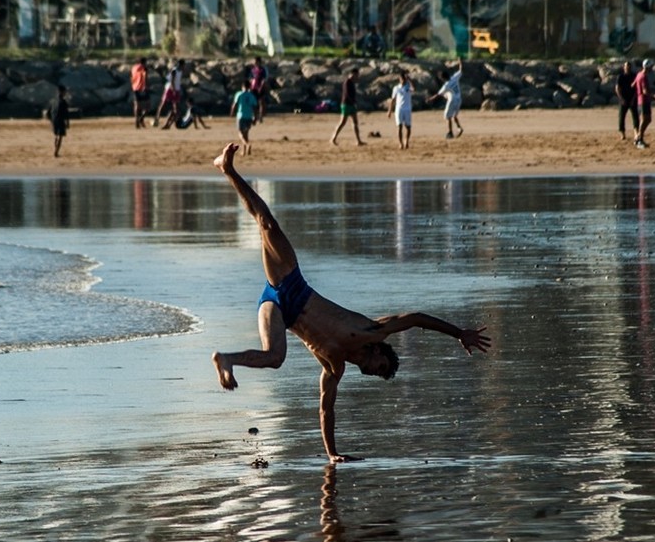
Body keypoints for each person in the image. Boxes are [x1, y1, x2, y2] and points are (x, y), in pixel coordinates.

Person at [209, 143, 491, 463]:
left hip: (274, 307)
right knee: (267, 224)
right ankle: (228, 169)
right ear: (378, 352)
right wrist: (458, 333)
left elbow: (326, 409)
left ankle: (226, 359)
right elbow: (415, 317)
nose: (373, 372)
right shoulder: (372, 330)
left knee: (275, 357)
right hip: (291, 283)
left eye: (378, 373)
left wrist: (333, 454)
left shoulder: (334, 366)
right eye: (381, 366)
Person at [428, 61, 464, 139]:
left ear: (443, 78)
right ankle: (459, 128)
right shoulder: (454, 77)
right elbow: (461, 70)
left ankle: (450, 132)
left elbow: (438, 94)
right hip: (459, 99)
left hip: (452, 100)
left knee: (447, 117)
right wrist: (460, 62)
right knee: (454, 116)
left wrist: (430, 99)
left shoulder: (446, 85)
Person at [330, 66, 365, 146]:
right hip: (346, 104)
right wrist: (353, 102)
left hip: (351, 104)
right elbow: (347, 94)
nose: (357, 77)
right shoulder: (347, 82)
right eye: (357, 75)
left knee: (355, 122)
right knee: (342, 122)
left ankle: (358, 140)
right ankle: (333, 138)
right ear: (353, 74)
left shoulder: (352, 82)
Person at [632, 59, 655, 149]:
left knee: (647, 119)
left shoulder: (639, 74)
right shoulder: (643, 76)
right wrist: (653, 96)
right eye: (651, 67)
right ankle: (639, 138)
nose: (652, 69)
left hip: (640, 100)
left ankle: (639, 137)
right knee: (644, 119)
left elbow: (633, 84)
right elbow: (645, 90)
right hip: (643, 100)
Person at [387, 70, 414, 149]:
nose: (403, 80)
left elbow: (413, 88)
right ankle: (400, 143)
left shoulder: (408, 87)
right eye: (401, 79)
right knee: (399, 126)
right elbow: (393, 99)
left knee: (408, 127)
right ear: (399, 79)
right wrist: (389, 111)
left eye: (404, 79)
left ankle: (407, 141)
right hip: (399, 109)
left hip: (407, 109)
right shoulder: (396, 88)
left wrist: (409, 80)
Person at [231, 79, 258, 155]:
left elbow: (235, 104)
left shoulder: (239, 94)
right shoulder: (251, 96)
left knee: (240, 133)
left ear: (242, 86)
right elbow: (255, 107)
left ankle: (247, 144)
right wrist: (255, 117)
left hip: (241, 116)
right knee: (246, 133)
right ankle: (244, 151)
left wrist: (232, 112)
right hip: (249, 116)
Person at [614, 60, 639, 141]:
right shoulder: (620, 77)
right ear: (624, 67)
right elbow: (617, 88)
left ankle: (636, 133)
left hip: (632, 99)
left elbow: (636, 89)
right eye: (626, 66)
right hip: (623, 99)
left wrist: (633, 99)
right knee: (621, 117)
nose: (628, 67)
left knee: (635, 117)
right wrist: (621, 99)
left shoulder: (634, 76)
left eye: (629, 66)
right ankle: (623, 134)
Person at [154, 59, 184, 128]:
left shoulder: (180, 71)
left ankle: (169, 124)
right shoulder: (174, 71)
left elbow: (177, 81)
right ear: (181, 65)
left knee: (175, 108)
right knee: (163, 104)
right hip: (170, 89)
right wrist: (173, 90)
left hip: (177, 90)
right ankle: (157, 118)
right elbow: (171, 81)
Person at [48, 84, 70, 157]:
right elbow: (66, 114)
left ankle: (55, 149)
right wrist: (67, 123)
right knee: (60, 136)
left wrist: (51, 121)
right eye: (64, 92)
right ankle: (56, 152)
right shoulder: (63, 102)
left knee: (56, 135)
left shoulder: (53, 101)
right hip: (60, 120)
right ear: (62, 92)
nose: (65, 93)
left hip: (54, 120)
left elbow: (48, 113)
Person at [247, 56, 269, 123]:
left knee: (261, 102)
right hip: (254, 88)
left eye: (255, 62)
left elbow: (264, 79)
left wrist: (261, 87)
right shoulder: (253, 70)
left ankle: (261, 117)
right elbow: (251, 79)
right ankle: (255, 117)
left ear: (259, 62)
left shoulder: (263, 69)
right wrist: (250, 87)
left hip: (261, 88)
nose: (254, 63)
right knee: (254, 103)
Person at [130, 57, 149, 129]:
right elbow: (145, 77)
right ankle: (141, 119)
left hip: (135, 88)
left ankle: (136, 121)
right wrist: (146, 86)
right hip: (142, 88)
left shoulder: (133, 67)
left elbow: (131, 77)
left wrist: (133, 84)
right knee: (147, 106)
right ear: (144, 62)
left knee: (137, 105)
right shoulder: (144, 68)